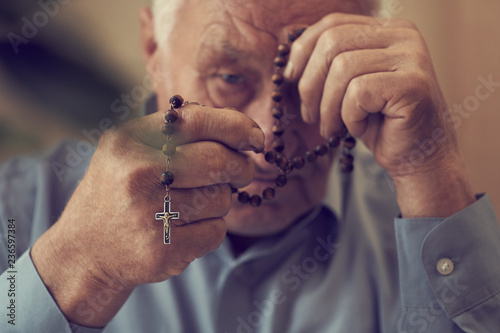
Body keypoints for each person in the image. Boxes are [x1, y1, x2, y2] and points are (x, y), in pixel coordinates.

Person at [1, 0, 499, 332]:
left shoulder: (426, 228)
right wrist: (81, 270)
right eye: (231, 77)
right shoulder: (15, 211)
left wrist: (432, 169)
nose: (266, 141)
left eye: (311, 81)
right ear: (154, 46)